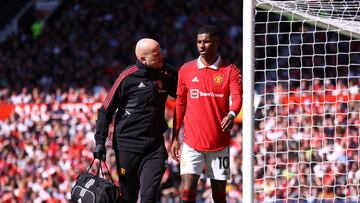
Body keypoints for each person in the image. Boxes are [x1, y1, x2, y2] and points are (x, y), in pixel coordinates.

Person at [93, 38, 177, 203]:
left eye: (161, 52)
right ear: (143, 59)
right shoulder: (127, 77)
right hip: (127, 147)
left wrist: (167, 68)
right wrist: (99, 142)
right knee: (128, 196)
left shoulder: (164, 74)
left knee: (149, 197)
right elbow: (105, 111)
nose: (161, 56)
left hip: (154, 147)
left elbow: (183, 89)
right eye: (156, 54)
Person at [170, 25, 242, 203]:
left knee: (219, 196)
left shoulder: (230, 70)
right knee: (186, 192)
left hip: (219, 143)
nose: (202, 45)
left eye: (206, 41)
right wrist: (174, 138)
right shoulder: (186, 70)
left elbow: (238, 98)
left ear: (217, 42)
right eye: (199, 42)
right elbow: (180, 104)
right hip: (191, 142)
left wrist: (232, 114)